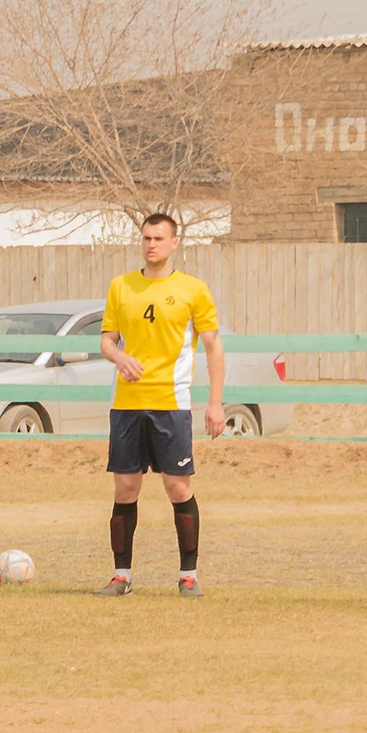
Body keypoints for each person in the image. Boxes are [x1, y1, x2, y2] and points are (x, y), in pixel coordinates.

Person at [95, 212, 224, 598]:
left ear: (174, 243)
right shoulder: (121, 286)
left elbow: (213, 346)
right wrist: (120, 357)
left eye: (158, 238)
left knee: (177, 487)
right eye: (146, 238)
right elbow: (106, 341)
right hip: (127, 404)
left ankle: (188, 575)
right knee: (125, 488)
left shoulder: (192, 290)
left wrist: (215, 402)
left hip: (171, 403)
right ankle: (121, 576)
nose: (151, 244)